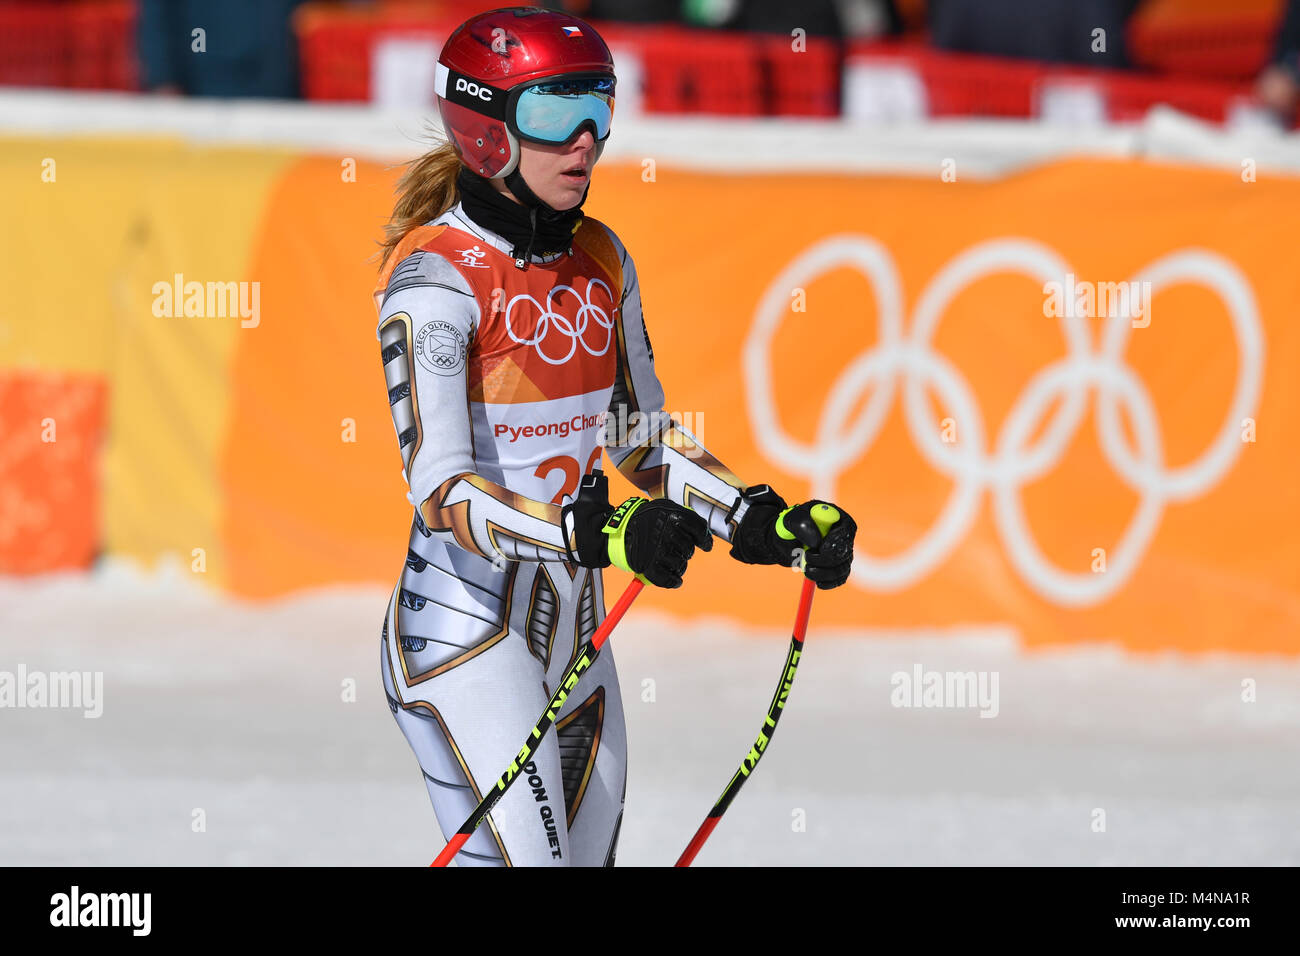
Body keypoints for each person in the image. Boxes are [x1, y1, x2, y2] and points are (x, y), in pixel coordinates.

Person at [372, 6, 856, 867]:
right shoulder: (434, 281)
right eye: (557, 114)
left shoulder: (602, 257)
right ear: (487, 129)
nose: (587, 140)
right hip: (463, 630)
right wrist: (591, 532)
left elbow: (639, 438)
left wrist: (756, 521)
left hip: (573, 630)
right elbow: (441, 493)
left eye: (599, 104)